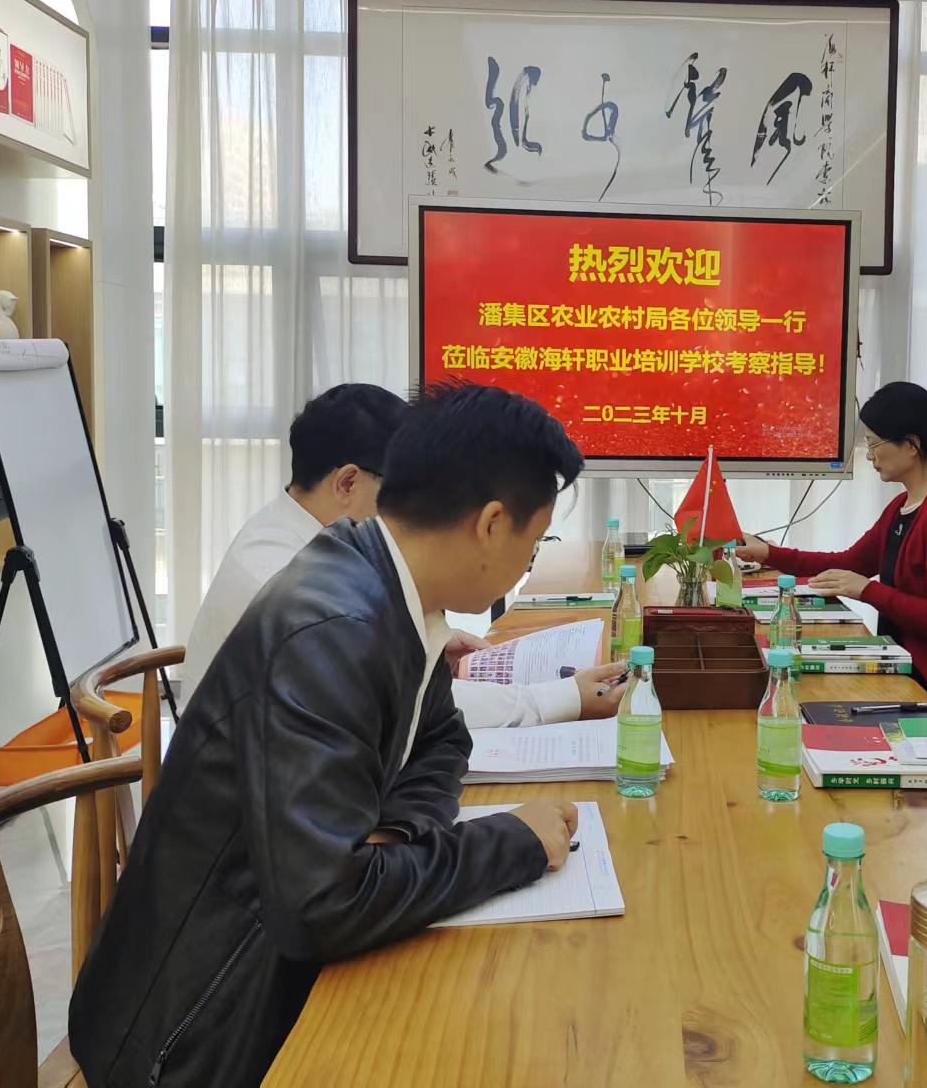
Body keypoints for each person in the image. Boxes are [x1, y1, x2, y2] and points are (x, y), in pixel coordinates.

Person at [71, 383, 592, 1087]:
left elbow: (441, 739)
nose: (527, 563)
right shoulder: (332, 626)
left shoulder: (390, 583)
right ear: (492, 524)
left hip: (265, 969)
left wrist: (398, 836)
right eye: (533, 543)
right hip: (194, 1033)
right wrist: (514, 844)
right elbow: (323, 906)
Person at [182, 382, 623, 726]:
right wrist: (558, 697)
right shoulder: (293, 588)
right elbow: (398, 703)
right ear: (348, 483)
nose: (416, 506)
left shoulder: (315, 547)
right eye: (401, 486)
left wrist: (425, 646)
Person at [738, 381, 927, 711]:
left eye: (875, 444)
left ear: (911, 445)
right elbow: (849, 563)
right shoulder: (905, 505)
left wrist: (868, 591)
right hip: (907, 672)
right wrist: (768, 553)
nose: (870, 455)